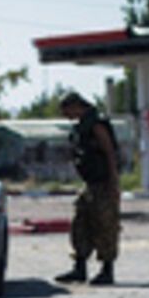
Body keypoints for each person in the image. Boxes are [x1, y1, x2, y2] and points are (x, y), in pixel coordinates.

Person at [54, 91, 121, 286]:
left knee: (105, 225)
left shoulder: (96, 124)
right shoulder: (82, 126)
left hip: (103, 183)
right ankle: (80, 267)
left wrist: (114, 183)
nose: (65, 115)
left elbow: (110, 153)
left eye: (66, 110)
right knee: (80, 223)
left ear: (76, 106)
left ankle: (107, 270)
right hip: (90, 184)